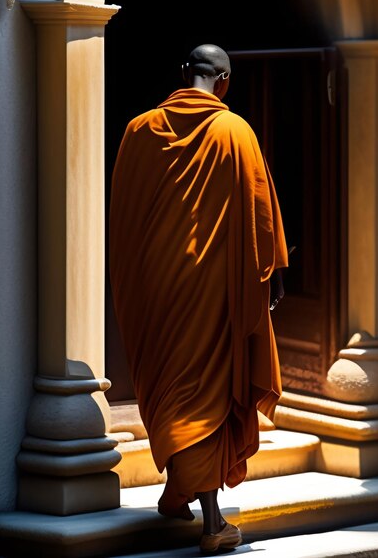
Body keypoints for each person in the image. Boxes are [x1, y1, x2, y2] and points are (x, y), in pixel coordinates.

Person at [109, 44, 288, 554]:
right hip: (214, 289)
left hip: (156, 287)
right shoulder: (236, 132)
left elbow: (121, 220)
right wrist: (271, 278)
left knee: (172, 387)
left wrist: (128, 282)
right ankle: (214, 526)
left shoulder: (139, 130)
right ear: (224, 81)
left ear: (183, 73)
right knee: (205, 394)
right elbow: (260, 217)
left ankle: (177, 492)